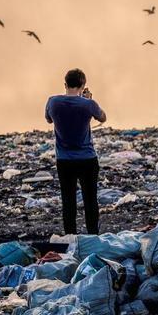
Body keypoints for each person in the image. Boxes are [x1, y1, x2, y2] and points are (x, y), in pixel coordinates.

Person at [44, 68, 107, 235]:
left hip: (64, 160)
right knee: (90, 200)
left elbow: (49, 119)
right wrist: (88, 100)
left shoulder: (53, 102)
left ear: (65, 84)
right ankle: (93, 236)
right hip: (87, 159)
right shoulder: (88, 104)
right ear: (83, 85)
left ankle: (70, 237)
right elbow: (102, 118)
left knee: (68, 201)